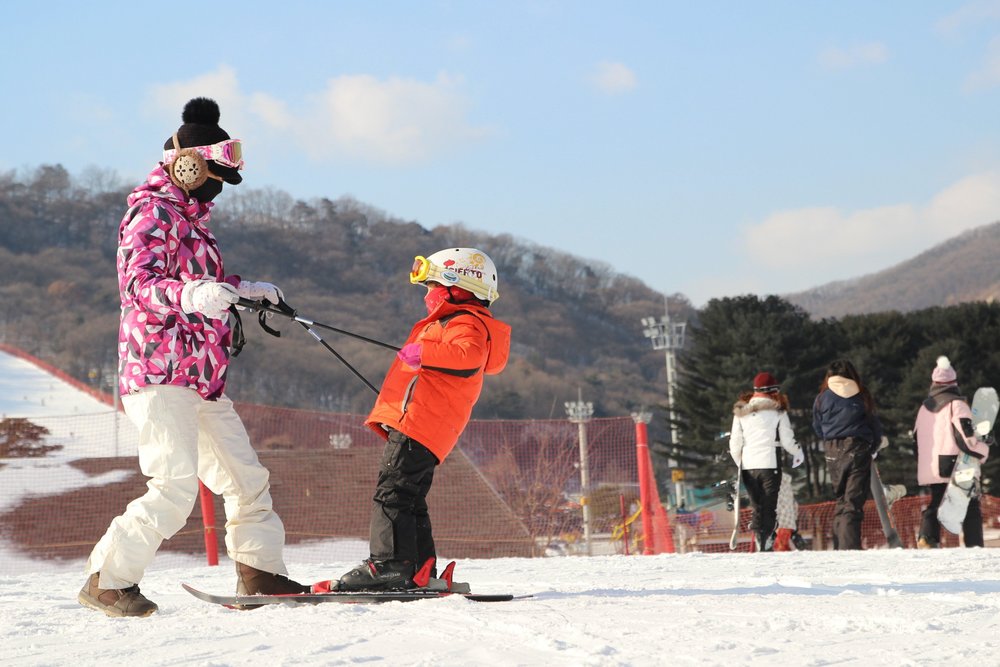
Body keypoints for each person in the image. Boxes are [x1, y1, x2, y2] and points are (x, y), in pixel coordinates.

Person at [79, 98, 307, 617]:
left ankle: (260, 572)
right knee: (175, 486)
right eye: (216, 176)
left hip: (202, 376)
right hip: (158, 372)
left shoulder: (193, 221)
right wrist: (192, 296)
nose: (219, 188)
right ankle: (105, 580)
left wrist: (243, 289)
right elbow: (139, 286)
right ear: (188, 164)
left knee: (246, 480)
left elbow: (198, 284)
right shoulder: (149, 211)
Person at [335, 248, 511, 590]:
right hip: (423, 424)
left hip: (420, 424)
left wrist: (424, 352)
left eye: (430, 286)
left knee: (392, 492)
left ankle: (388, 566)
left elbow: (469, 355)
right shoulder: (450, 322)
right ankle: (418, 570)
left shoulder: (466, 322)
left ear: (453, 287)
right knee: (409, 496)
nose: (427, 295)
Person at [913, 356, 990, 548]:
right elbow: (968, 437)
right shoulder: (957, 405)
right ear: (954, 383)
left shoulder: (923, 408)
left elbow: (915, 439)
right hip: (955, 464)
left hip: (930, 465)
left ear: (934, 383)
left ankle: (927, 537)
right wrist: (983, 451)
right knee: (971, 505)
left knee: (937, 501)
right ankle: (974, 546)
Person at [728, 372, 804, 552]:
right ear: (772, 391)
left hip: (748, 466)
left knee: (757, 506)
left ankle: (759, 533)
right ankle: (766, 539)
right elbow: (787, 440)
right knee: (769, 505)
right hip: (770, 464)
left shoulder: (741, 413)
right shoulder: (778, 411)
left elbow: (735, 442)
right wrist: (798, 452)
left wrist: (740, 461)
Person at [812, 359, 883, 550]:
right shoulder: (861, 394)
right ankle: (850, 549)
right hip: (858, 448)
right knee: (853, 502)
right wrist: (873, 447)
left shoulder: (822, 397)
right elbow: (874, 424)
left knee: (842, 500)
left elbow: (817, 426)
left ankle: (839, 547)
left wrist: (830, 440)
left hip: (832, 450)